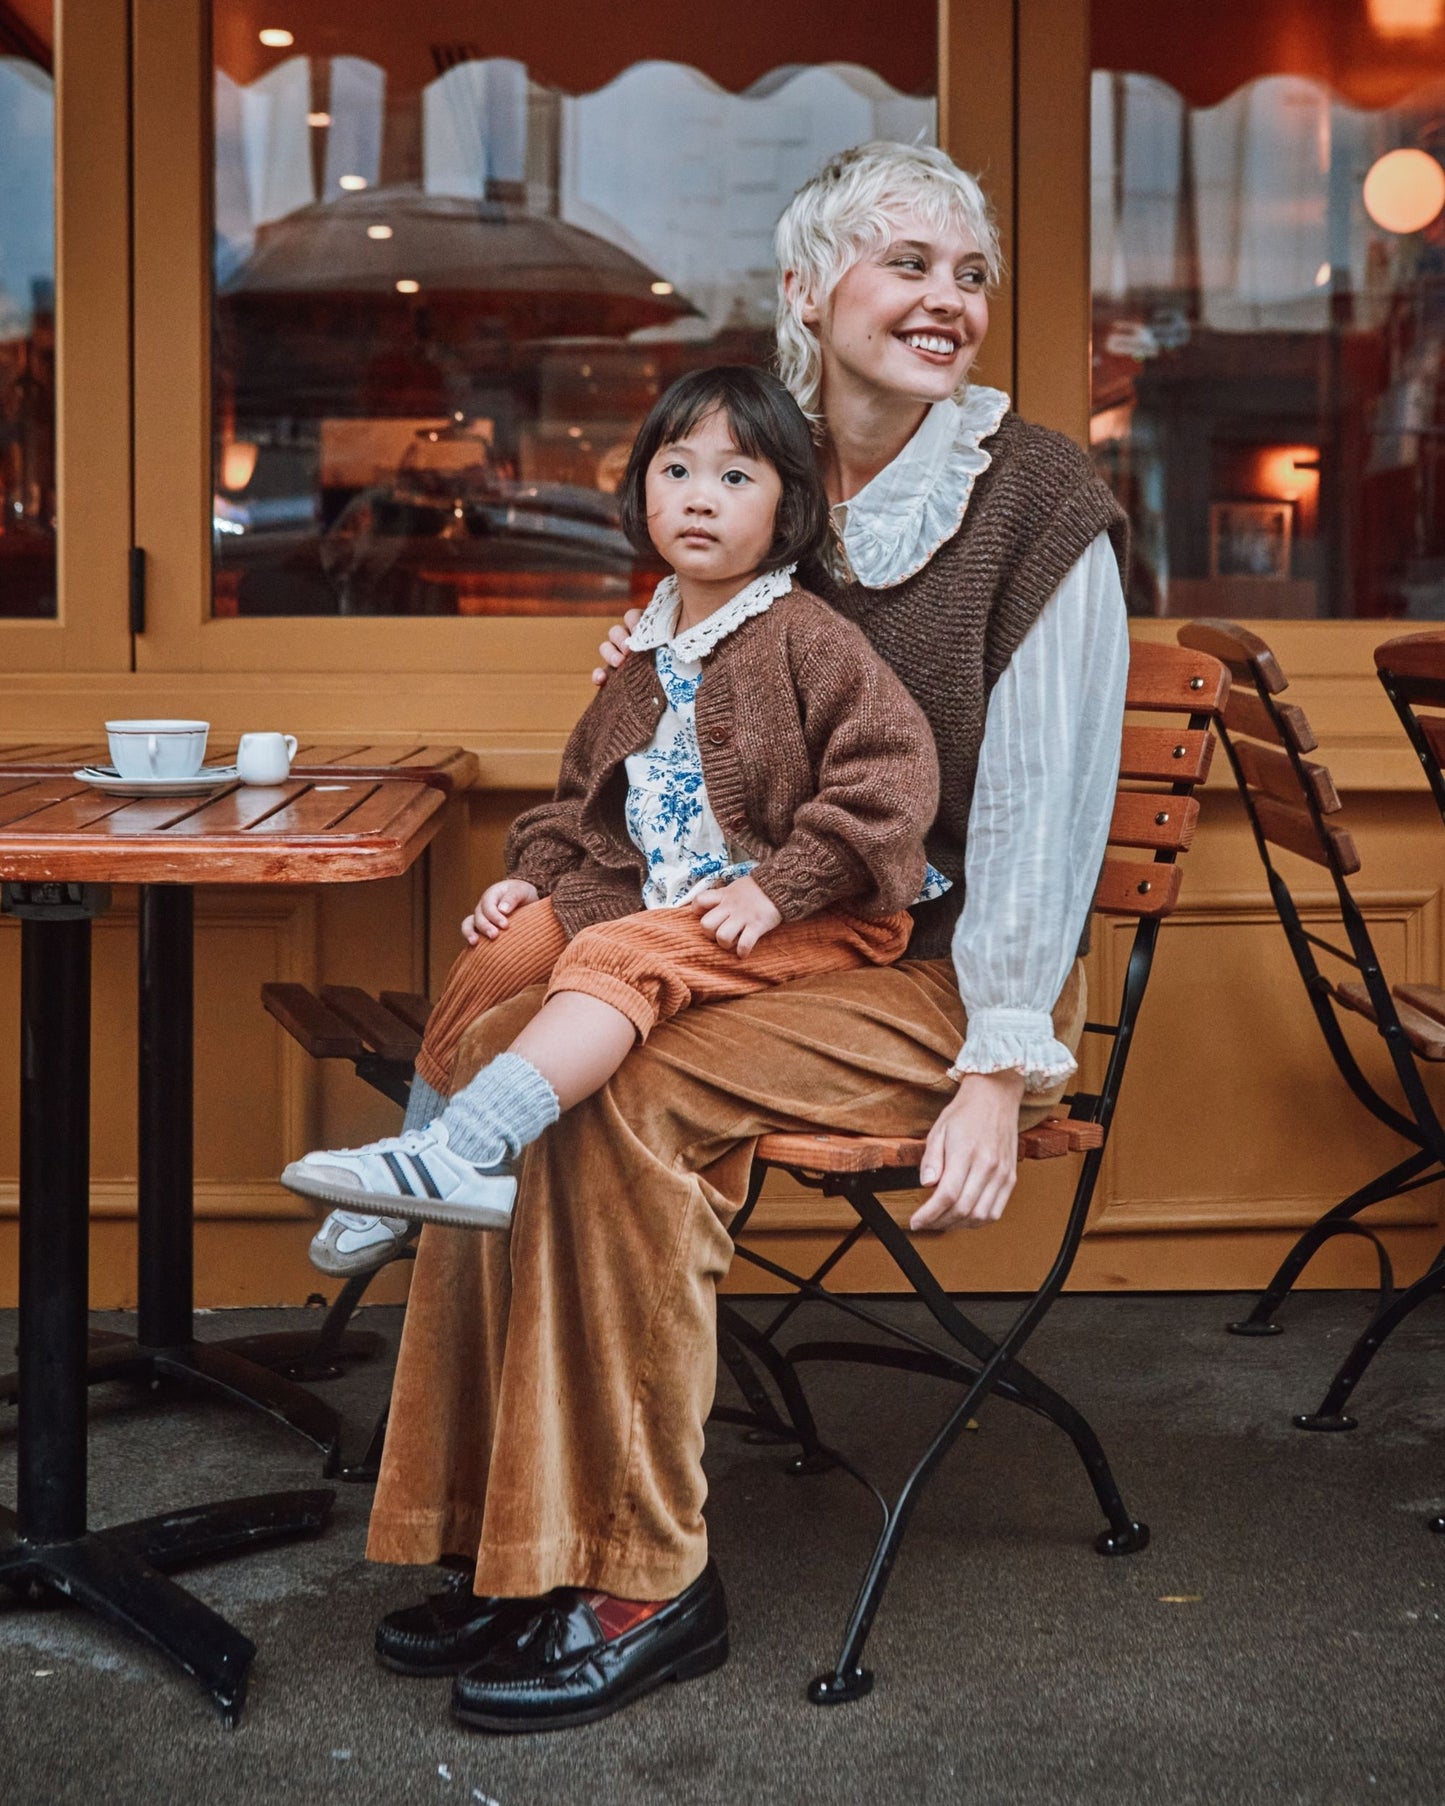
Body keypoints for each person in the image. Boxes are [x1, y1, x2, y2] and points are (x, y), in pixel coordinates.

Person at [362, 141, 1130, 1736]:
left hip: (936, 977)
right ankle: (506, 1543)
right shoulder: (757, 482)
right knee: (513, 1046)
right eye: (905, 263)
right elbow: (688, 737)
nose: (946, 299)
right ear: (806, 292)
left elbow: (1047, 809)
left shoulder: (1036, 498)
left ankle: (643, 1576)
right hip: (742, 938)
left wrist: (1001, 1059)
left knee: (622, 1096)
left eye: (968, 272)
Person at [285, 365, 940, 1234]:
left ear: (787, 512)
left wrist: (775, 888)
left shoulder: (805, 638)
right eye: (676, 471)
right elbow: (585, 792)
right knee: (502, 954)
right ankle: (417, 1177)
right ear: (641, 494)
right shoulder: (647, 637)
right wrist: (537, 877)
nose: (700, 498)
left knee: (617, 958)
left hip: (805, 913)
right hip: (659, 892)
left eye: (735, 477)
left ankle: (465, 1153)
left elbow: (894, 778)